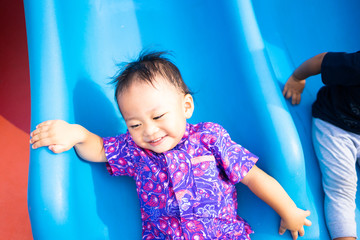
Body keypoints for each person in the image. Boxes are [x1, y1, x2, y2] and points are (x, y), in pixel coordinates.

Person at [30, 51, 311, 240]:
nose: (149, 131)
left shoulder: (210, 138)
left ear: (186, 106)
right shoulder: (134, 150)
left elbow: (254, 178)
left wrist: (289, 210)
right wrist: (77, 134)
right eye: (134, 124)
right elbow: (101, 149)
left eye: (158, 116)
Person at [283, 50, 360, 240]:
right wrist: (297, 77)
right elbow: (321, 60)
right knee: (342, 185)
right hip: (335, 125)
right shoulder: (356, 65)